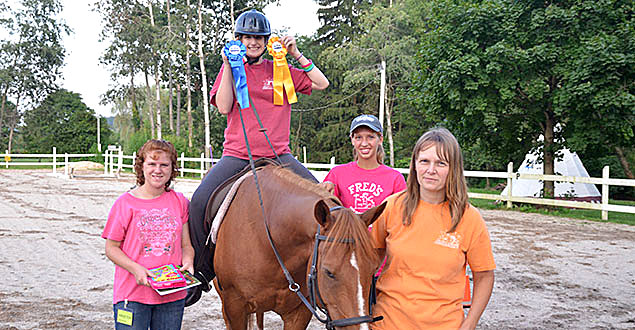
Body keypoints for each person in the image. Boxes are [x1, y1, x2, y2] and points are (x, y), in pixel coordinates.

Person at [186, 9, 329, 306]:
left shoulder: (281, 68)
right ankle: (201, 272)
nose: (253, 42)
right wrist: (227, 65)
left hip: (279, 155)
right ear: (239, 39)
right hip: (239, 154)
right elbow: (224, 107)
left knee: (324, 204)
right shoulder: (231, 67)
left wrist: (296, 53)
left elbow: (321, 83)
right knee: (199, 200)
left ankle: (325, 278)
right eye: (247, 37)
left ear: (266, 40)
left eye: (258, 37)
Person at [369, 128, 495, 330]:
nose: (431, 170)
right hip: (387, 323)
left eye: (441, 163)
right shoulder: (391, 207)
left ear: (453, 168)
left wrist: (470, 322)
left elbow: (485, 276)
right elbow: (369, 260)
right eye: (424, 161)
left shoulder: (469, 218)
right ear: (415, 165)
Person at [102, 139, 194, 330]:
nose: (158, 170)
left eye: (164, 165)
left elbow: (186, 245)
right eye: (152, 164)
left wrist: (188, 261)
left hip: (172, 295)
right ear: (141, 167)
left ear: (172, 169)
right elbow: (111, 248)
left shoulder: (180, 202)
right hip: (133, 296)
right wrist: (136, 269)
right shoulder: (124, 204)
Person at [321, 114, 406, 214]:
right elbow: (327, 212)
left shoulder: (395, 178)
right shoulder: (337, 174)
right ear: (352, 140)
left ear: (380, 139)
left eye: (370, 137)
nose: (364, 143)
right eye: (358, 137)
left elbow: (402, 215)